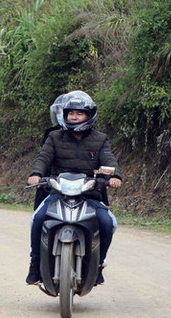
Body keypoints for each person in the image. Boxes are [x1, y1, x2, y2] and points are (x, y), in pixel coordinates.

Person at [25, 90, 122, 286]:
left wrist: (115, 176)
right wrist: (36, 174)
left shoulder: (100, 139)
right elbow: (43, 158)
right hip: (58, 192)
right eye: (71, 113)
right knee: (37, 218)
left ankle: (99, 265)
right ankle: (35, 264)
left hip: (90, 193)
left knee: (107, 223)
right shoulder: (54, 137)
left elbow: (109, 159)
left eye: (79, 113)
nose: (74, 117)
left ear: (89, 116)